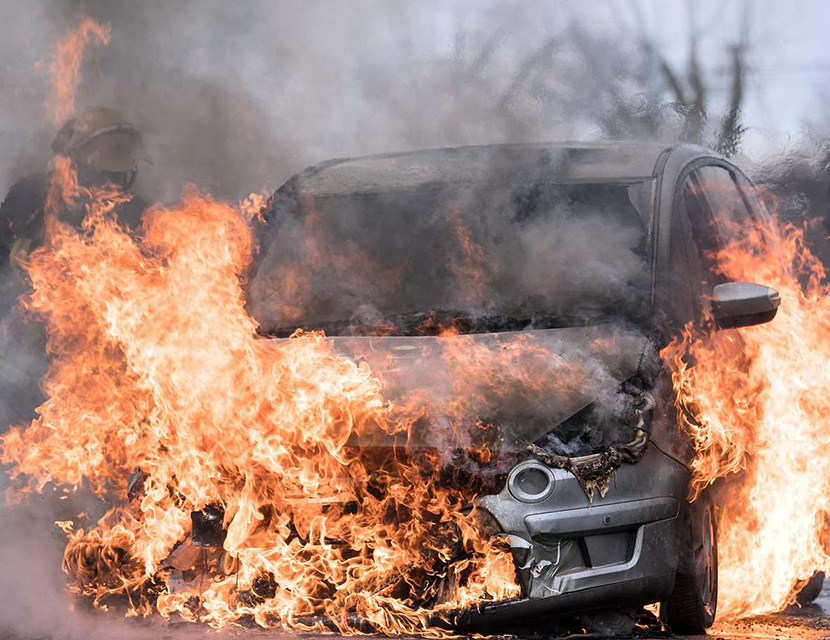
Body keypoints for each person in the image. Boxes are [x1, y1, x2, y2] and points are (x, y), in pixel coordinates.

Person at [0, 107, 149, 429]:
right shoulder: (31, 197)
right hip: (33, 345)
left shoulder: (137, 210)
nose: (112, 182)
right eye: (106, 172)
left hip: (107, 355)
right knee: (24, 432)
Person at [0, 106, 150, 271]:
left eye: (115, 175)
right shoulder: (30, 195)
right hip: (30, 293)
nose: (110, 185)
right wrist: (28, 257)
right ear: (77, 160)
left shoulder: (137, 210)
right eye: (105, 176)